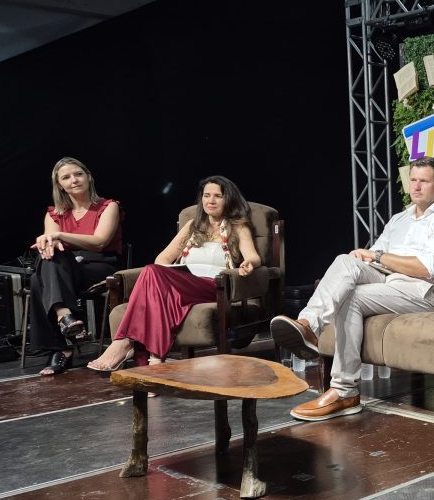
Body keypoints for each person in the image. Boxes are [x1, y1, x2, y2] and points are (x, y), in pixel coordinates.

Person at [272, 156, 434, 422]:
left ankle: (344, 392)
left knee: (352, 298)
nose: (416, 186)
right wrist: (364, 256)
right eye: (413, 180)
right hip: (387, 281)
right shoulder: (400, 218)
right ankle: (308, 325)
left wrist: (377, 257)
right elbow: (375, 252)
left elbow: (427, 268)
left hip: (421, 292)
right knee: (345, 260)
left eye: (424, 181)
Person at [86, 176, 260, 371]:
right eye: (206, 195)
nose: (210, 201)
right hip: (184, 281)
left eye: (218, 196)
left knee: (152, 272)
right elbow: (163, 259)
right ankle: (155, 362)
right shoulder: (193, 226)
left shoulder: (238, 226)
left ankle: (125, 342)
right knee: (153, 272)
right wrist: (173, 275)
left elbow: (253, 257)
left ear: (229, 199)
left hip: (213, 286)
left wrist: (248, 264)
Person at [28, 157, 122, 376]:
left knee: (39, 277)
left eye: (78, 174)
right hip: (63, 269)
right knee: (50, 257)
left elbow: (99, 241)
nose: (74, 180)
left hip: (98, 266)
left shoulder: (108, 207)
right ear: (59, 185)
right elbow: (49, 245)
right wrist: (48, 242)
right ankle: (65, 318)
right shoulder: (54, 213)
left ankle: (62, 344)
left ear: (88, 177)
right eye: (66, 177)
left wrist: (58, 235)